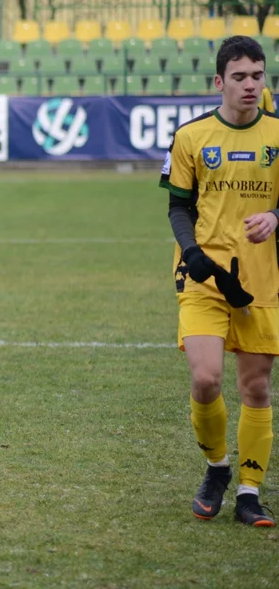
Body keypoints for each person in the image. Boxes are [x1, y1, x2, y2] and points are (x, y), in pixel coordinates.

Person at [160, 35, 279, 527]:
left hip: (261, 280)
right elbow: (177, 207)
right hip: (202, 278)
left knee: (256, 387)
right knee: (206, 378)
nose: (250, 85)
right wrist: (193, 253)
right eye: (239, 77)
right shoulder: (191, 137)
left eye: (257, 75)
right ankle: (216, 469)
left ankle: (250, 492)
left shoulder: (278, 134)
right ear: (219, 82)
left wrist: (275, 216)